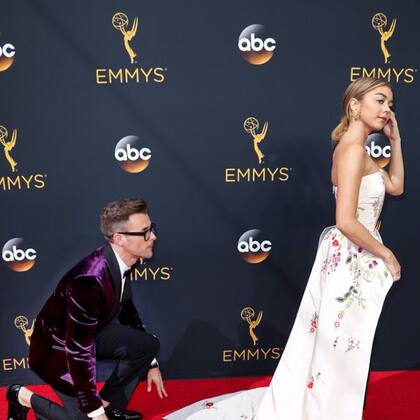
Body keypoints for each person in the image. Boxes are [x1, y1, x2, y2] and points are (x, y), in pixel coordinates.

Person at [165, 77, 404, 420]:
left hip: (355, 258)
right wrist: (387, 254)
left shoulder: (359, 148)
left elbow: (394, 186)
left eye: (391, 104)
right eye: (380, 101)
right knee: (341, 346)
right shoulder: (352, 150)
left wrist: (396, 142)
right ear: (354, 105)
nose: (387, 110)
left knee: (343, 345)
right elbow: (346, 221)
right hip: (353, 258)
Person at [6, 198, 167, 420]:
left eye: (152, 228)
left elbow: (128, 313)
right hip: (56, 352)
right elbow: (78, 352)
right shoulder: (89, 281)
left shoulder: (122, 261)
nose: (153, 237)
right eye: (145, 232)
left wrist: (151, 363)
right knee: (87, 417)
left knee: (147, 345)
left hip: (85, 336)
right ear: (119, 239)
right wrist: (95, 411)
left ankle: (110, 406)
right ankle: (20, 396)